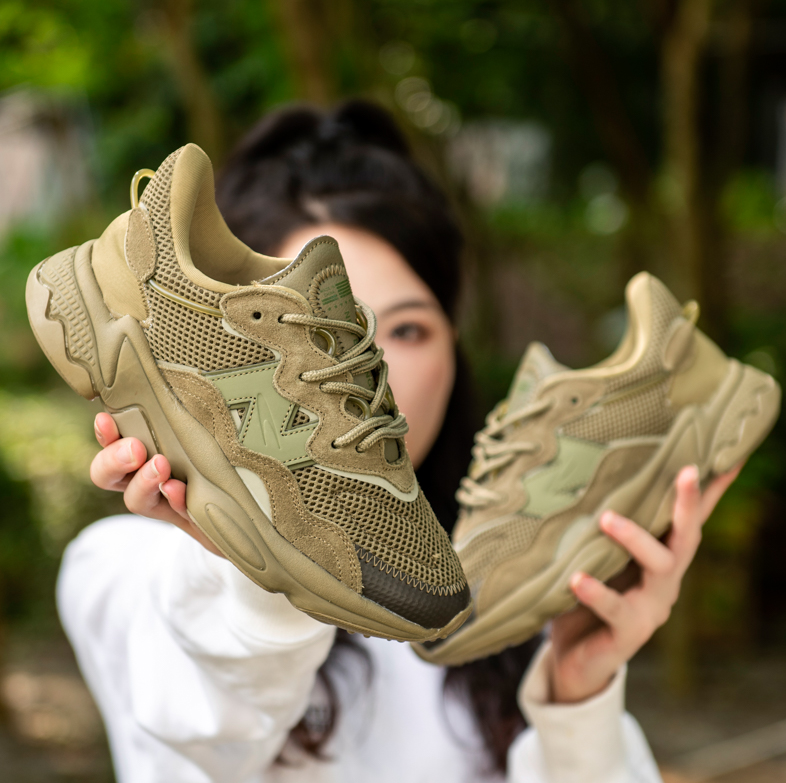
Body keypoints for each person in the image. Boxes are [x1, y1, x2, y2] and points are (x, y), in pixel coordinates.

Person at [58, 100, 740, 782]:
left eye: (408, 330)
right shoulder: (121, 571)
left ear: (453, 347)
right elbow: (198, 743)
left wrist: (577, 693)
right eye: (329, 335)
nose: (371, 372)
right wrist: (252, 558)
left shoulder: (501, 592)